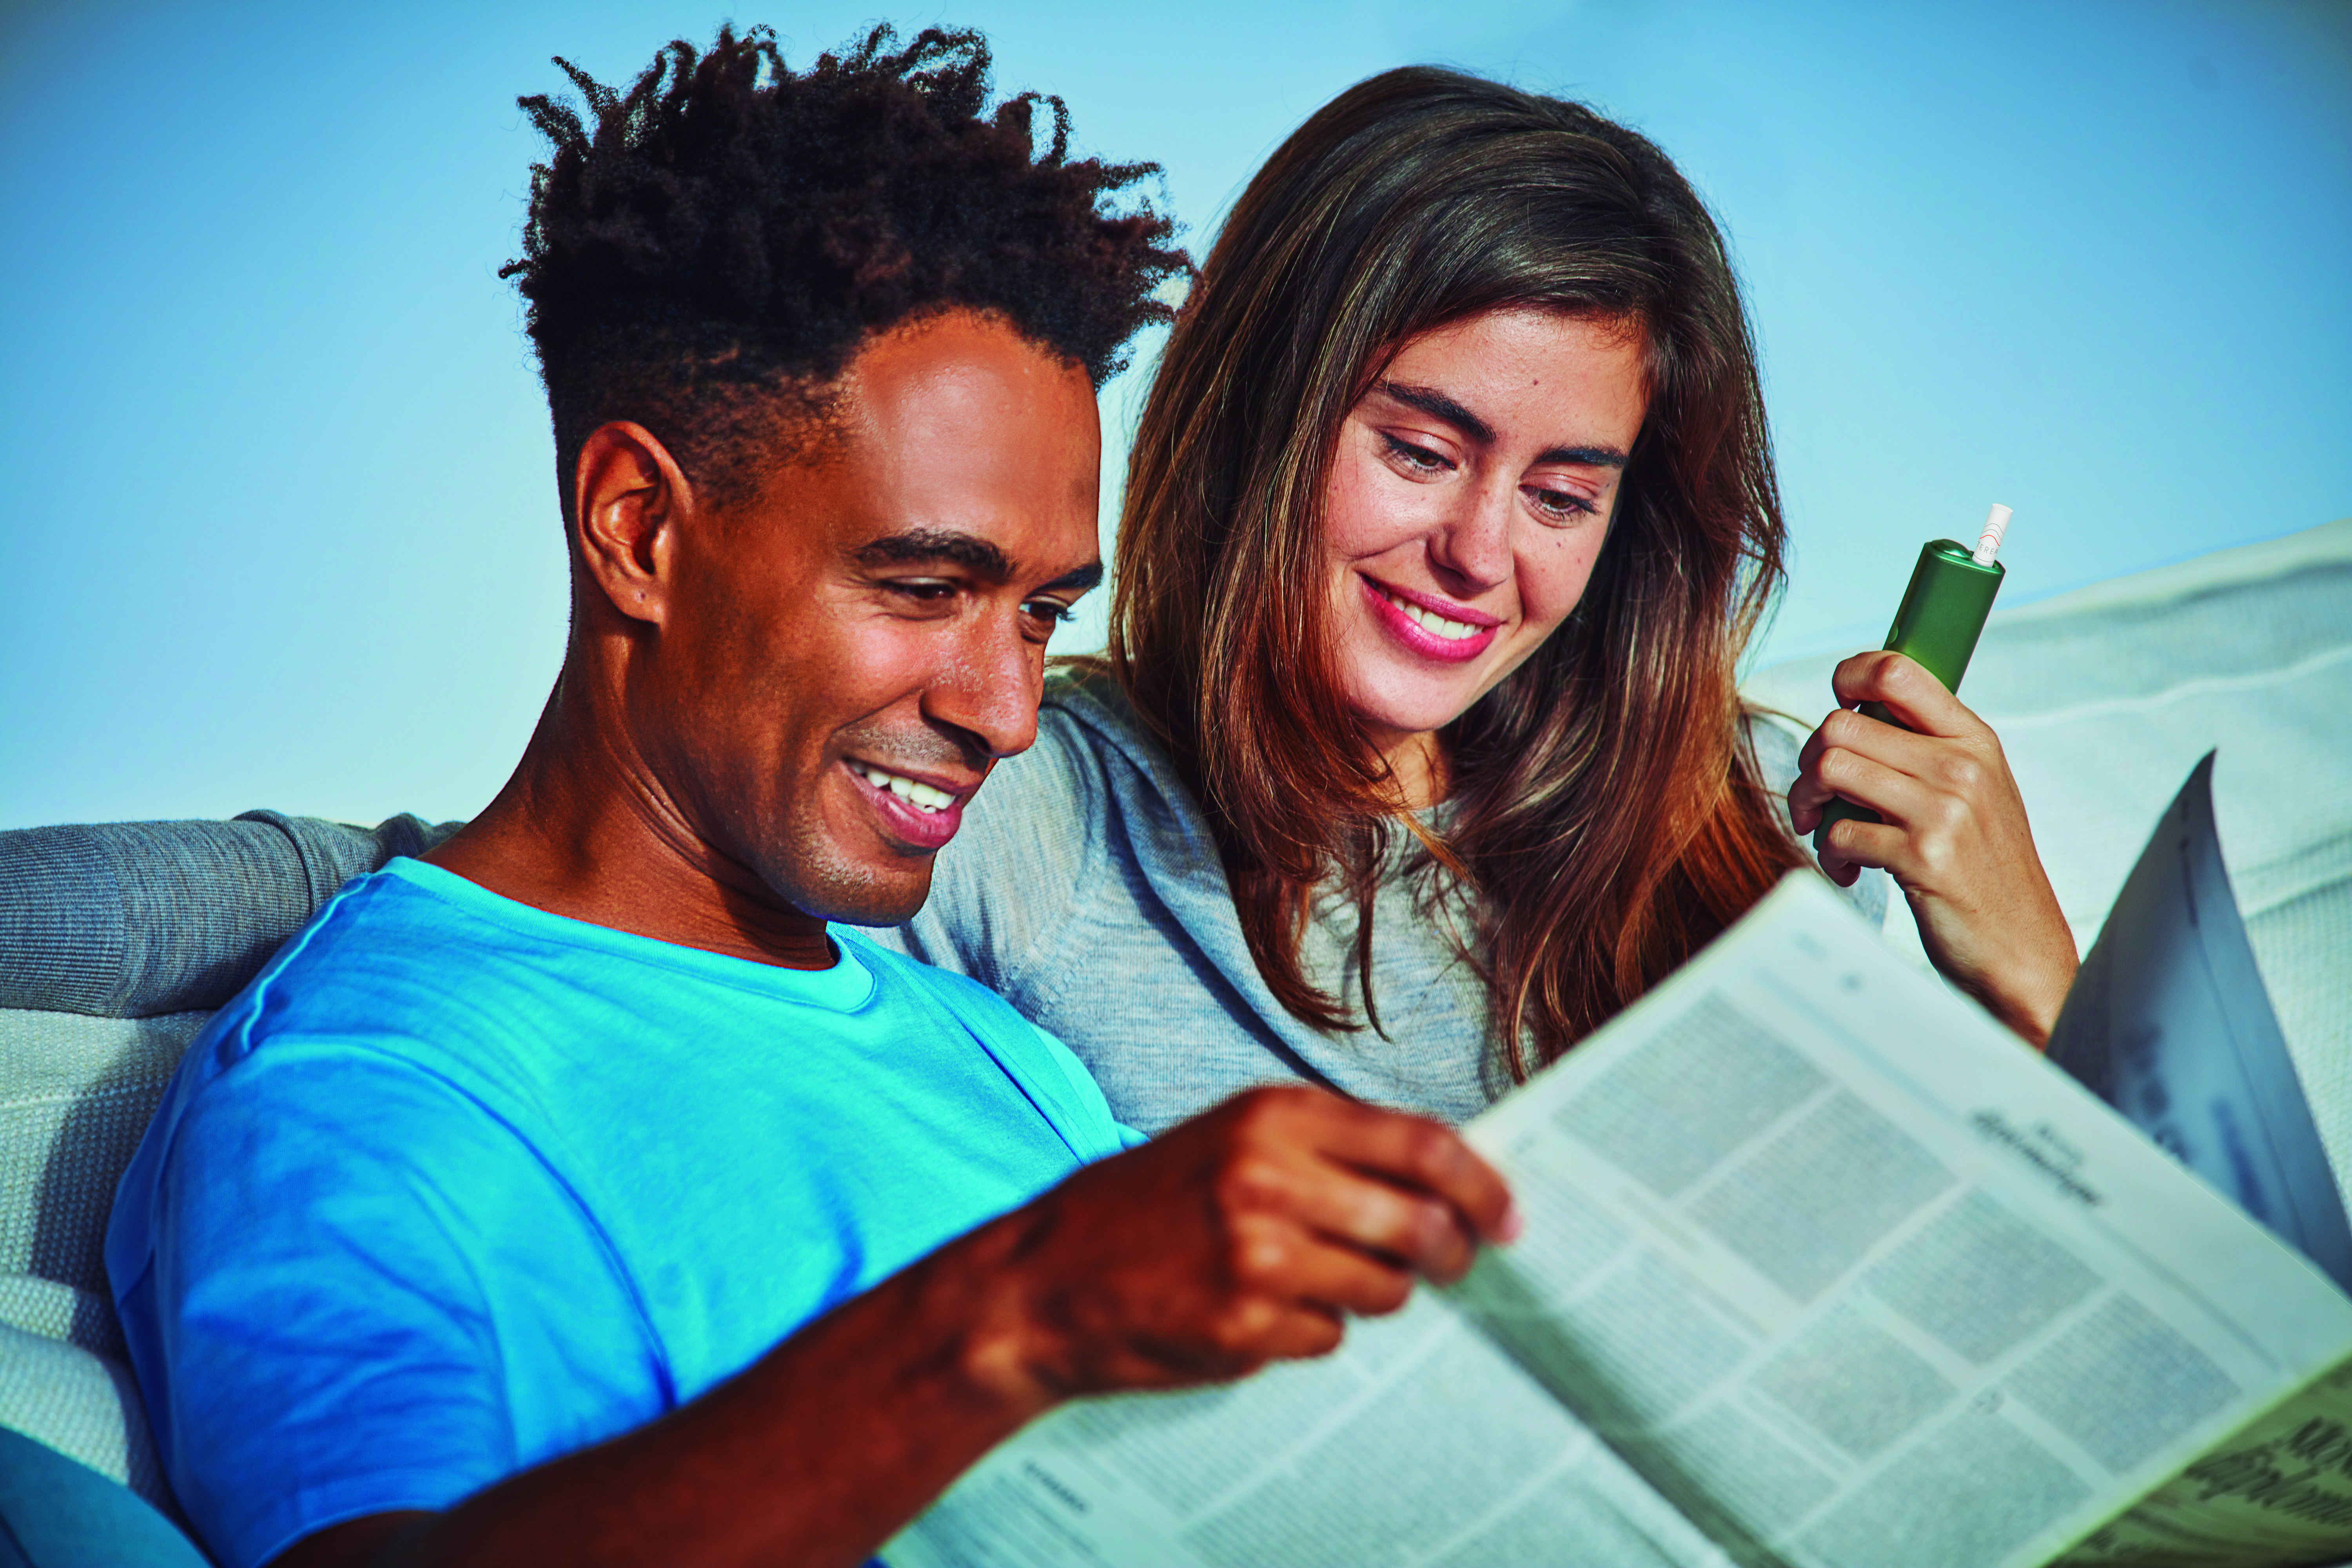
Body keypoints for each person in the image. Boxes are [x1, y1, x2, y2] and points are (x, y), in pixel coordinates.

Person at [79, 28, 1523, 1568]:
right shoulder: (370, 1089)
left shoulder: (982, 1044)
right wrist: (1012, 1312)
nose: (1005, 708)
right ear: (638, 530)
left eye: (1040, 613)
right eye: (921, 585)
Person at [0, 67, 2078, 1130]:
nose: (1481, 557)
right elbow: (448, 884)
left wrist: (2040, 984)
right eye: (1421, 449)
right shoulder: (1047, 805)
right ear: (1270, 414)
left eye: (1568, 490)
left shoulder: (1739, 807)